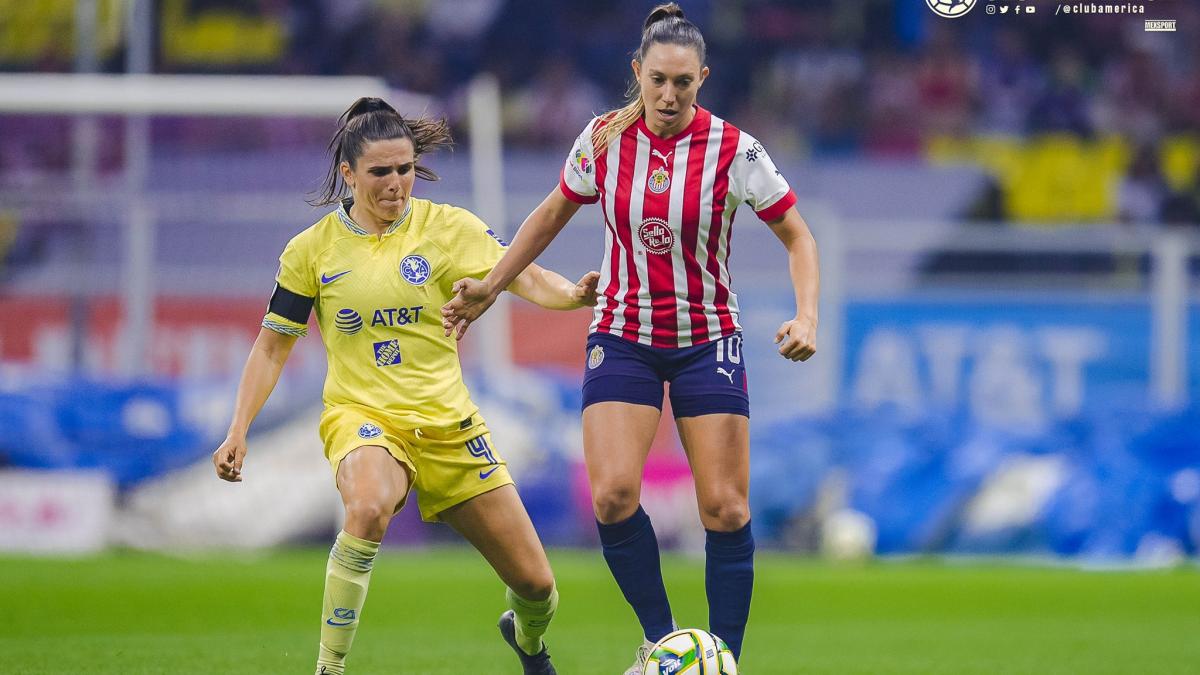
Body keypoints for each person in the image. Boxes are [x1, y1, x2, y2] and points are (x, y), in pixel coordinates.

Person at [441, 4, 819, 673]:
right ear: (636, 72)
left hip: (708, 337)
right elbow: (549, 214)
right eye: (658, 81)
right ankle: (662, 643)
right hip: (623, 332)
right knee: (613, 495)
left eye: (684, 82)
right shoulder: (602, 138)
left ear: (703, 77)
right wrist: (492, 284)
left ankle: (724, 660)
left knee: (725, 506)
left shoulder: (736, 149)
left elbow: (798, 234)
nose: (669, 95)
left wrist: (806, 314)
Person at [211, 96, 599, 675]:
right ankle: (329, 668)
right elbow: (272, 346)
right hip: (364, 416)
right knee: (367, 506)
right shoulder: (310, 251)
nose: (397, 183)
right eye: (380, 172)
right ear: (348, 172)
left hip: (449, 425)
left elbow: (524, 275)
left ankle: (526, 638)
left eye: (405, 169)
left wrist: (572, 295)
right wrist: (238, 429)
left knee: (537, 585)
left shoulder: (448, 228)